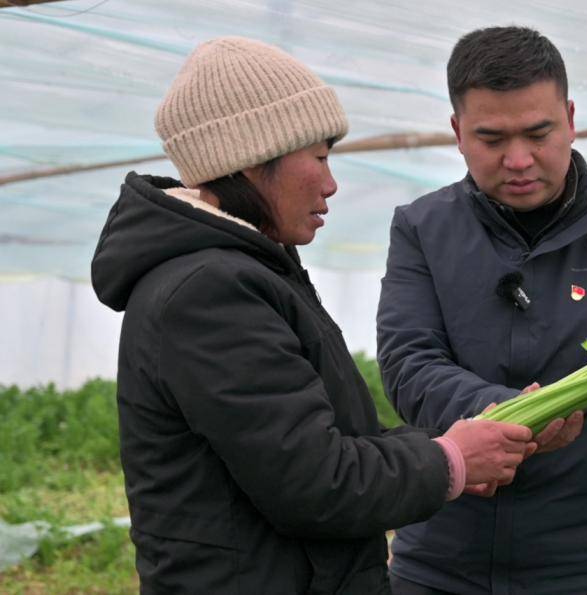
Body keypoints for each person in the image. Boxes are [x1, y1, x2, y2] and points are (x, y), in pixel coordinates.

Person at [90, 36, 536, 594]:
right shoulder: (210, 292)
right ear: (252, 162)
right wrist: (450, 460)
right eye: (320, 157)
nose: (331, 184)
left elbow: (330, 441)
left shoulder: (246, 272)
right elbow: (315, 483)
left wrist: (454, 441)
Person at [377, 26, 587, 594]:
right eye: (491, 138)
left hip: (585, 566)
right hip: (438, 561)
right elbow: (409, 364)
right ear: (457, 132)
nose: (519, 159)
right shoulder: (422, 228)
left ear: (571, 118)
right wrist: (512, 414)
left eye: (539, 133)